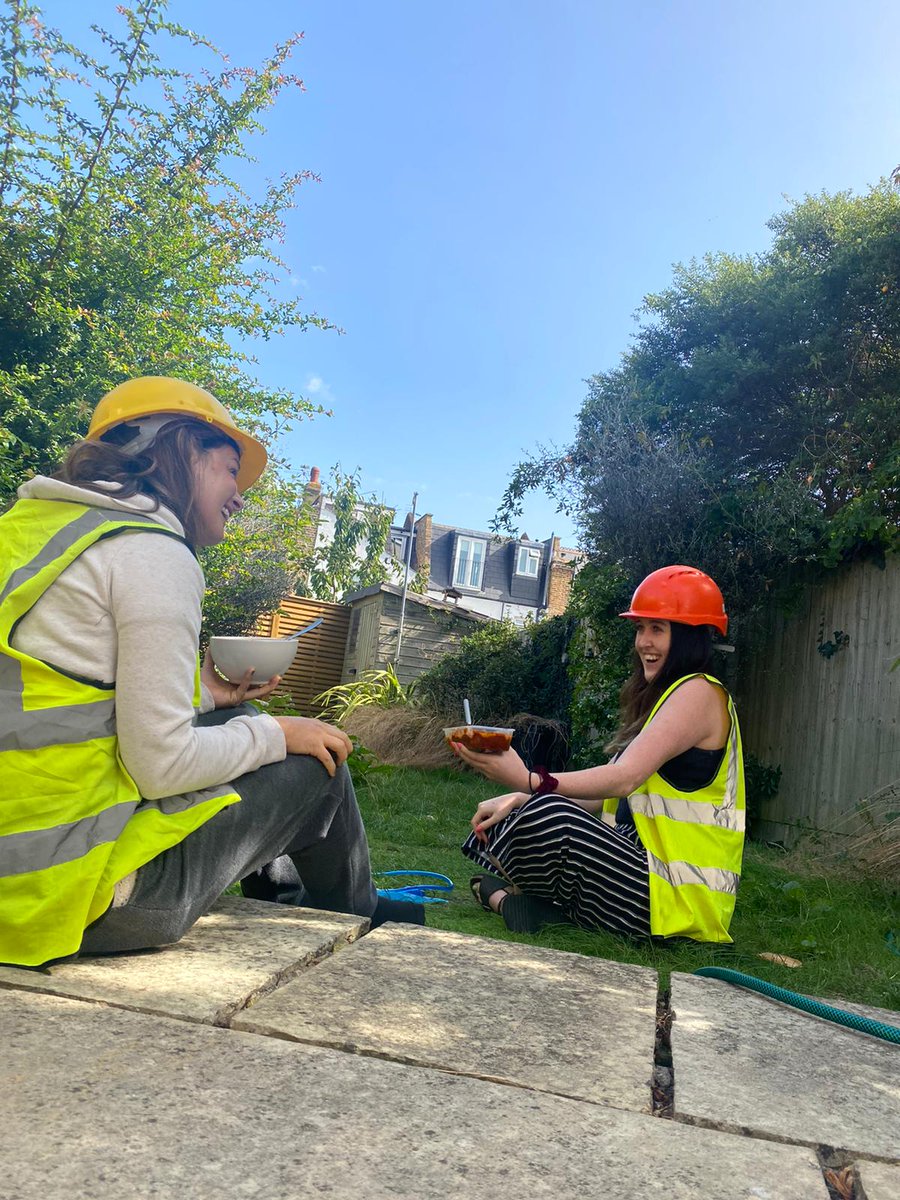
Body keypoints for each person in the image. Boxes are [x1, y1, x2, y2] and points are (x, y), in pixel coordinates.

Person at [0, 376, 423, 969]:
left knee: (238, 716)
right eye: (229, 469)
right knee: (317, 760)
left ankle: (287, 898)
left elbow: (46, 703)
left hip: (13, 876)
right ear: (176, 449)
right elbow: (161, 764)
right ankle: (355, 922)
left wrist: (205, 694)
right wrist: (280, 734)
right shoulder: (152, 553)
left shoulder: (24, 534)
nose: (240, 495)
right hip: (67, 895)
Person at [454, 565, 745, 942]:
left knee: (545, 814)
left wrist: (531, 780)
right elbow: (605, 792)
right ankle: (535, 909)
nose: (644, 642)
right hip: (646, 873)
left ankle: (514, 902)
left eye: (658, 629)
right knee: (517, 812)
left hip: (675, 900)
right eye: (640, 628)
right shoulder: (667, 699)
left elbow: (624, 779)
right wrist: (520, 796)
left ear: (690, 637)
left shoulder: (700, 693)